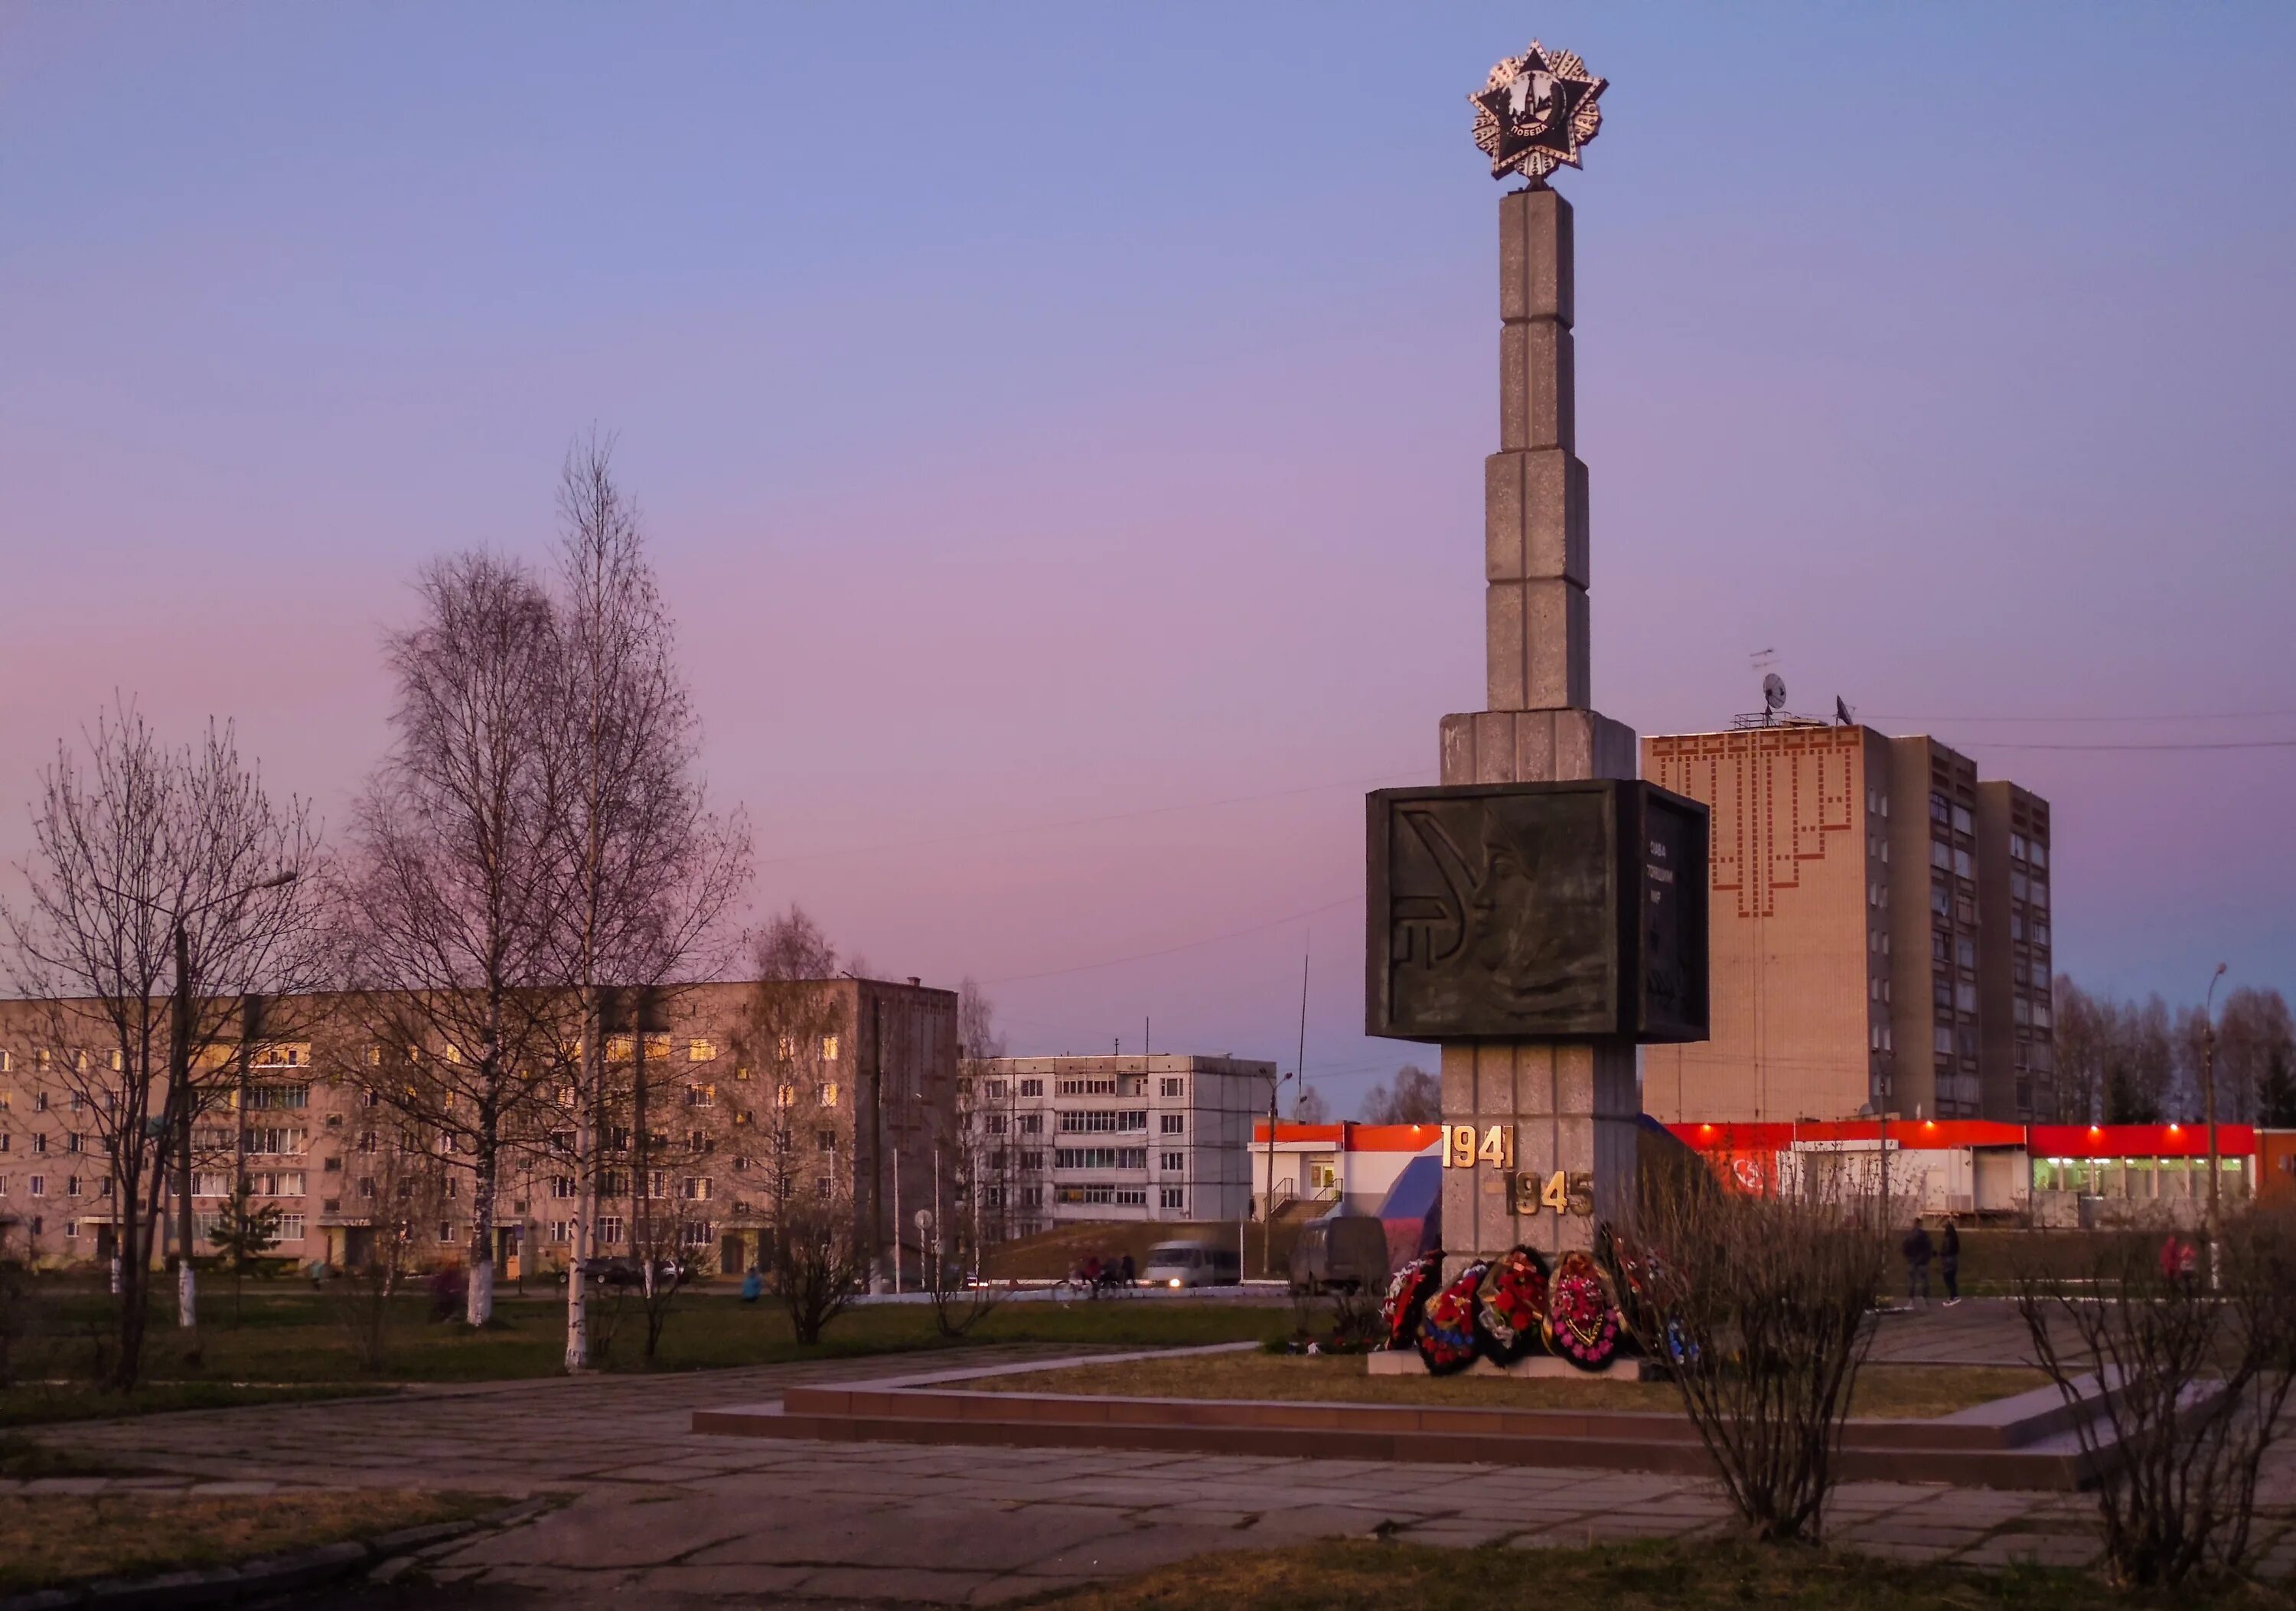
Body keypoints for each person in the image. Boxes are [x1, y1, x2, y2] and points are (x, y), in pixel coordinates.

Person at [1901, 1221, 1935, 1309]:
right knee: (1924, 1280)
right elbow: (1929, 1247)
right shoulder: (1924, 1235)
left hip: (1912, 1260)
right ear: (1920, 1224)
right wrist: (1926, 1257)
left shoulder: (1909, 1235)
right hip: (1922, 1261)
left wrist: (1908, 1257)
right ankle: (1926, 1299)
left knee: (1911, 1281)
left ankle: (1911, 1300)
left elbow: (1905, 1247)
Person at [1939, 1217, 1962, 1307]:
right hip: (1954, 1260)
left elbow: (1946, 1250)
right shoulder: (1955, 1238)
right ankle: (1954, 1295)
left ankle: (1953, 1296)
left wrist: (1940, 1253)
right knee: (1951, 1279)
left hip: (1948, 1261)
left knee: (1947, 1278)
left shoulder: (1948, 1239)